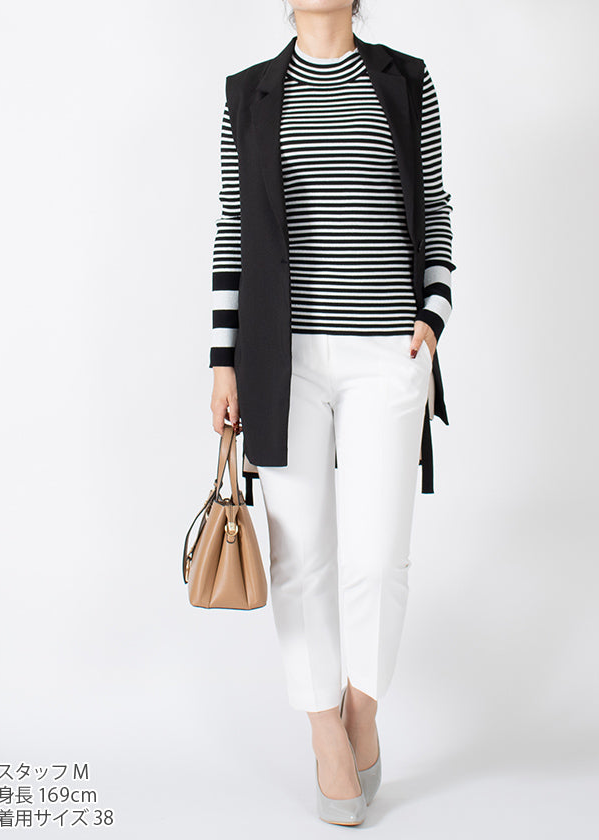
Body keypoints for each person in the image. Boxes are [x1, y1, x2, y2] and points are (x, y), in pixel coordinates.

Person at [209, 0, 455, 825]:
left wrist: (433, 314)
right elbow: (234, 227)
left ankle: (363, 711)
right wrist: (222, 360)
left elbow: (434, 202)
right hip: (281, 360)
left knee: (378, 557)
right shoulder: (249, 92)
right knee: (301, 556)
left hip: (389, 352)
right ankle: (324, 731)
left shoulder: (404, 79)